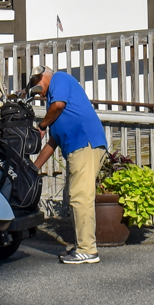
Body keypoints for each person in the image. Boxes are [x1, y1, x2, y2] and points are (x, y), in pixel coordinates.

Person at [29, 67, 108, 265]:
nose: (39, 93)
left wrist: (42, 125)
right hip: (79, 146)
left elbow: (58, 105)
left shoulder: (59, 79)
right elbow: (53, 142)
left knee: (81, 196)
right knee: (76, 196)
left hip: (84, 143)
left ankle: (88, 250)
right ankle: (82, 246)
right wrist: (33, 168)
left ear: (43, 76)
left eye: (37, 86)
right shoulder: (53, 102)